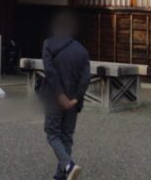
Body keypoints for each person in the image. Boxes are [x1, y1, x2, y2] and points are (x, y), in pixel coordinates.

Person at [41, 12, 91, 180]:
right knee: (67, 136)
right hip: (73, 102)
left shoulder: (48, 44)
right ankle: (61, 176)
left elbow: (50, 72)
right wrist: (76, 98)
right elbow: (85, 79)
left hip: (54, 98)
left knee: (52, 133)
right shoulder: (82, 51)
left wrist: (60, 95)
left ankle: (68, 165)